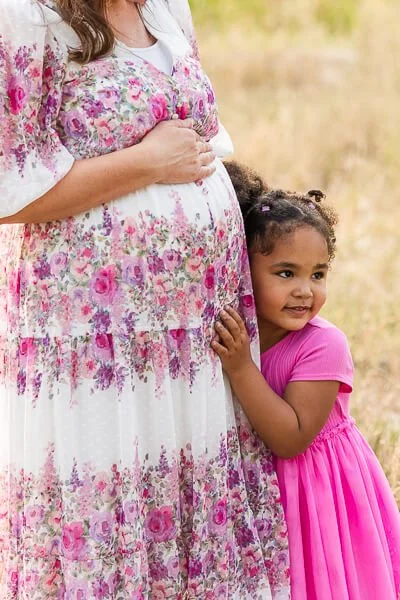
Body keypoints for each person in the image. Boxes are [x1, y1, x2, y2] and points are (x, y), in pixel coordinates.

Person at [0, 1, 290, 598]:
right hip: (95, 338)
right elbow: (11, 192)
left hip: (195, 335)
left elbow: (202, 145)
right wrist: (145, 164)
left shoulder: (163, 5)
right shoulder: (23, 17)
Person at [212, 161, 400, 600]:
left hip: (317, 494)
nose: (305, 290)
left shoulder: (323, 345)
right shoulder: (244, 333)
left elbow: (291, 437)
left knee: (319, 581)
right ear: (244, 270)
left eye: (318, 274)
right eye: (286, 273)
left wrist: (241, 368)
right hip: (266, 491)